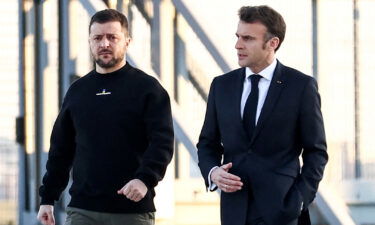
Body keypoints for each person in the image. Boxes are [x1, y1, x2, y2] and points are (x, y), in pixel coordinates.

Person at [37, 9, 174, 225]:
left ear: (127, 41)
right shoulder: (77, 91)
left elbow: (162, 143)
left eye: (112, 37)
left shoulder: (148, 89)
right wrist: (48, 198)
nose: (105, 44)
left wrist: (144, 178)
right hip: (82, 210)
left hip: (132, 210)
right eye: (98, 38)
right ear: (90, 42)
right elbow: (60, 150)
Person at [197, 5, 328, 225]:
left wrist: (300, 201)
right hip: (234, 212)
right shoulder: (221, 86)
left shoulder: (301, 86)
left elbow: (316, 152)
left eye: (247, 38)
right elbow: (207, 144)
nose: (238, 45)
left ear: (272, 43)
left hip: (283, 211)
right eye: (238, 36)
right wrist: (213, 173)